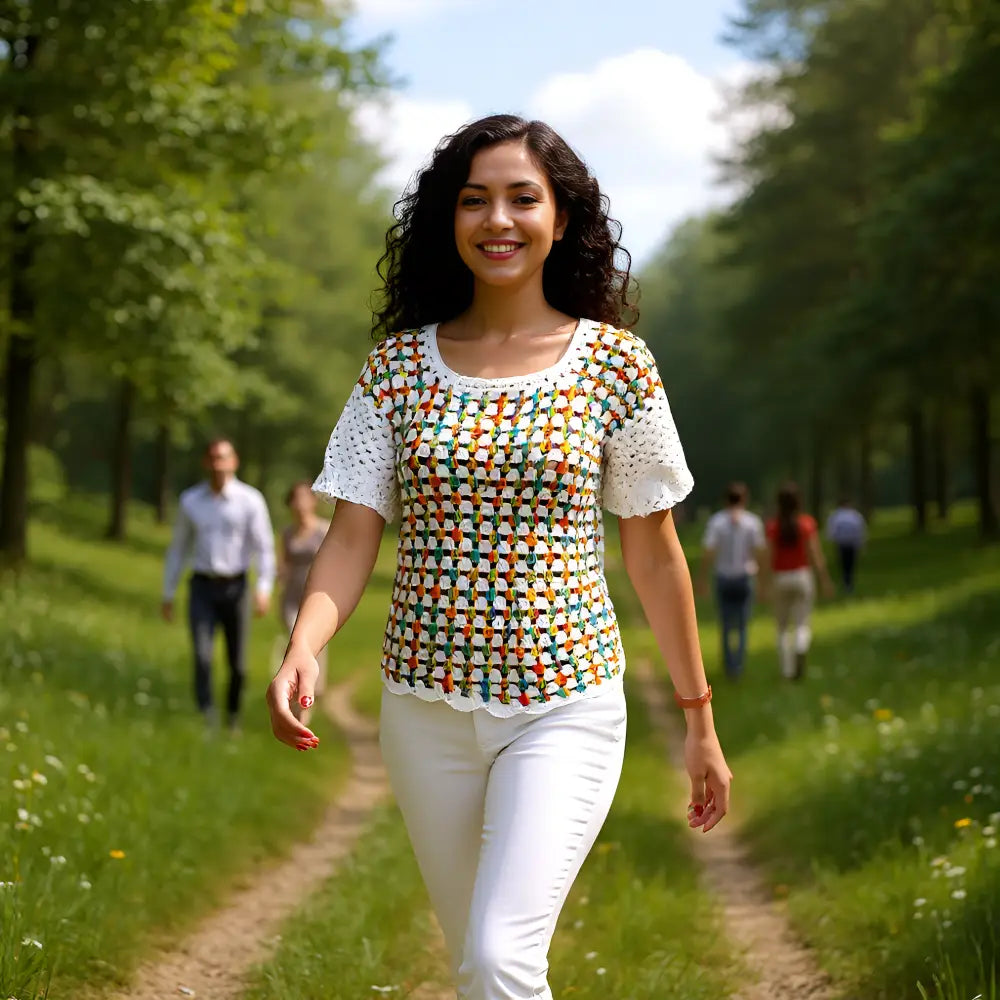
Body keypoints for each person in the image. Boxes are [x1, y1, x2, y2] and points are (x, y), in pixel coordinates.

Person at [265, 114, 732, 1000]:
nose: (498, 220)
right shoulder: (398, 369)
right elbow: (354, 530)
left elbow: (654, 553)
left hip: (564, 704)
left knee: (498, 959)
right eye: (474, 200)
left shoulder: (617, 367)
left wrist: (699, 722)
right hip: (422, 709)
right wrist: (305, 644)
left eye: (523, 198)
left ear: (562, 218)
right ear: (450, 219)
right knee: (475, 962)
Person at [163, 438, 276, 728]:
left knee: (237, 663)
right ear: (206, 462)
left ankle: (233, 717)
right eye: (213, 458)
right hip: (202, 586)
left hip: (236, 588)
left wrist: (263, 588)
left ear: (234, 461)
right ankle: (206, 716)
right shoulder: (191, 501)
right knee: (202, 656)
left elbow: (264, 547)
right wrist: (168, 592)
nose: (218, 464)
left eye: (223, 458)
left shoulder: (250, 501)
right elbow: (178, 548)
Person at [764, 481, 833, 681]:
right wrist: (825, 580)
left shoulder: (773, 527)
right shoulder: (806, 524)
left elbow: (768, 556)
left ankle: (787, 671)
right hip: (802, 576)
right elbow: (816, 555)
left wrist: (763, 583)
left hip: (780, 577)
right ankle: (801, 647)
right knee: (802, 624)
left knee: (783, 628)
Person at [697, 482, 766, 680]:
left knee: (726, 624)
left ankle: (729, 665)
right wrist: (763, 582)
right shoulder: (752, 522)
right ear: (745, 499)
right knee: (743, 624)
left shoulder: (717, 522)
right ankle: (739, 664)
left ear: (726, 499)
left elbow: (709, 552)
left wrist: (702, 578)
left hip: (724, 577)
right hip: (745, 577)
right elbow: (759, 551)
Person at [278, 481, 330, 724]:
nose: (300, 504)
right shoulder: (287, 533)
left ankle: (309, 698)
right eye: (295, 499)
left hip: (316, 599)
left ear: (313, 501)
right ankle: (293, 695)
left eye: (304, 498)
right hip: (290, 598)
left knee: (314, 647)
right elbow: (284, 564)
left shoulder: (324, 530)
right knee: (295, 643)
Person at [826, 496, 866, 594]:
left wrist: (833, 539)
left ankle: (847, 583)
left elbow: (832, 531)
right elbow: (860, 530)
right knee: (850, 565)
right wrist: (861, 543)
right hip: (851, 544)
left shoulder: (836, 516)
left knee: (844, 565)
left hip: (842, 544)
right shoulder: (855, 515)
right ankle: (849, 584)